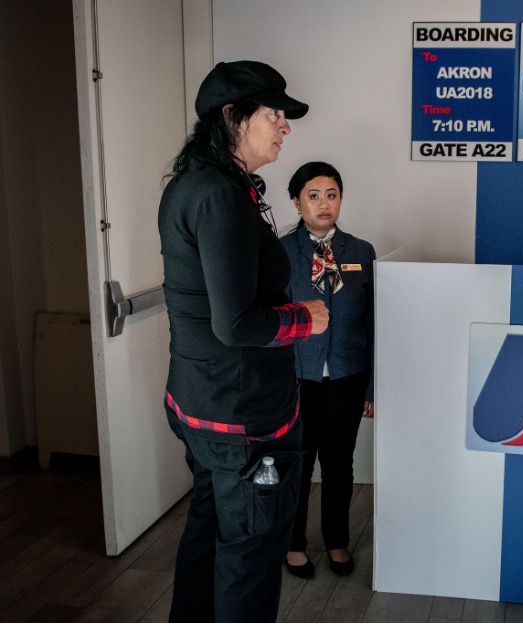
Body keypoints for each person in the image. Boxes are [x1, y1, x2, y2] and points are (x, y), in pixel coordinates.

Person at [158, 60, 328, 622]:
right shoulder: (219, 196)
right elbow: (236, 324)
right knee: (251, 554)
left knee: (211, 532)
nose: (285, 127)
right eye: (275, 115)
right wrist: (306, 319)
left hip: (203, 405)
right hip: (241, 419)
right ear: (232, 117)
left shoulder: (207, 185)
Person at [279, 161, 376, 579]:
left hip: (347, 376)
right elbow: (270, 320)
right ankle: (293, 543)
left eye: (331, 194)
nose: (323, 203)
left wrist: (371, 385)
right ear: (297, 202)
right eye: (313, 195)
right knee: (297, 462)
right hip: (295, 379)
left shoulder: (360, 251)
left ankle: (337, 540)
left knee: (339, 462)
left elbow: (373, 323)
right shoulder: (280, 252)